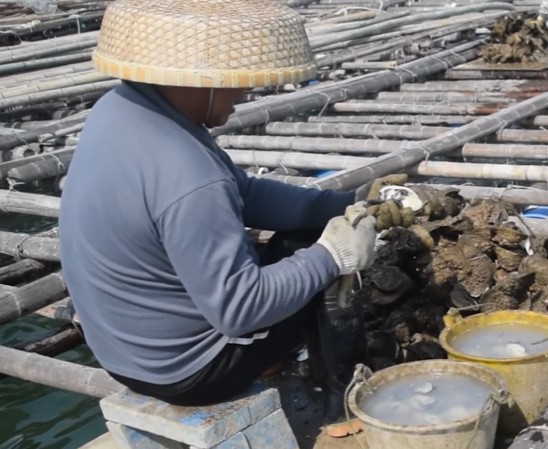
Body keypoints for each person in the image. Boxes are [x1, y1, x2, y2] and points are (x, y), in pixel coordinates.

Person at [59, 0, 387, 407]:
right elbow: (242, 308)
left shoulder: (124, 107)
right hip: (189, 371)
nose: (244, 92)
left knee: (304, 240)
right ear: (203, 79)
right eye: (237, 80)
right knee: (310, 256)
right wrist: (332, 256)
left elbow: (245, 194)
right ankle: (345, 393)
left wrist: (347, 202)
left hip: (125, 353)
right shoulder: (190, 176)